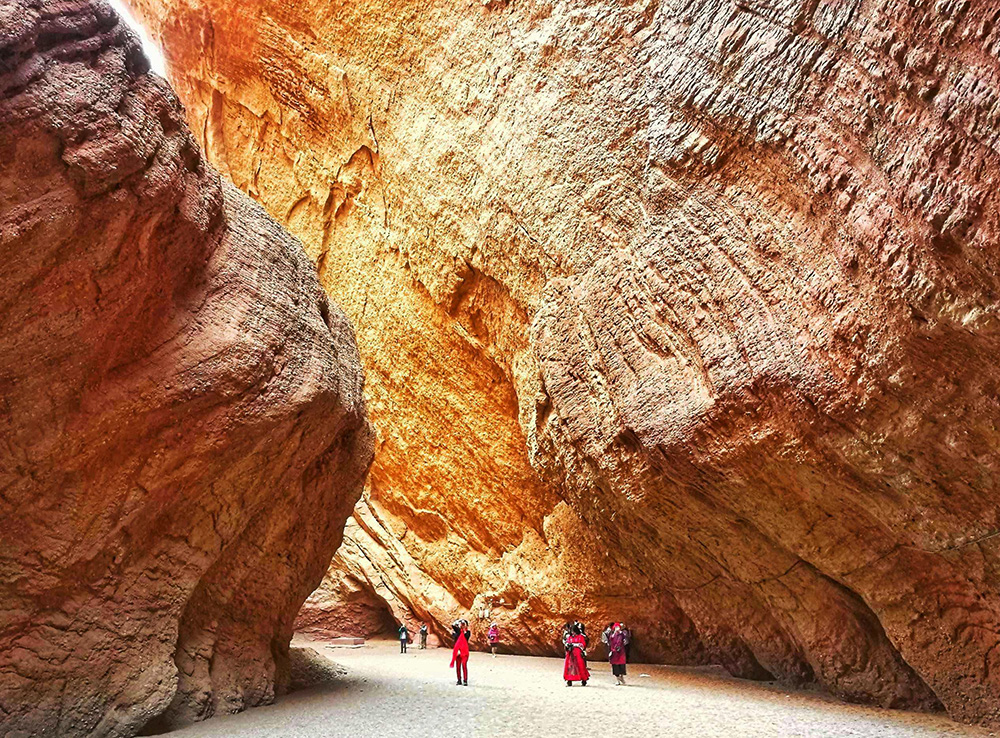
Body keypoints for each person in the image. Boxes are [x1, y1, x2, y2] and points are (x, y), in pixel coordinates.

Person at [563, 622, 590, 686]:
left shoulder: (581, 637)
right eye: (572, 631)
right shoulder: (569, 637)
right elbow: (567, 642)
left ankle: (583, 679)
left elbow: (583, 644)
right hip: (570, 654)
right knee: (570, 667)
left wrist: (576, 645)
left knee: (580, 666)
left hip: (578, 654)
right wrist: (567, 645)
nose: (573, 633)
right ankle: (569, 680)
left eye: (574, 631)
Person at [450, 619, 471, 685]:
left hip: (464, 651)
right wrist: (458, 622)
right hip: (458, 651)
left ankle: (465, 680)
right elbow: (453, 626)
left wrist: (464, 628)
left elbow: (466, 636)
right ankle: (459, 680)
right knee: (458, 666)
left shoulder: (467, 632)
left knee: (464, 665)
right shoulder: (457, 632)